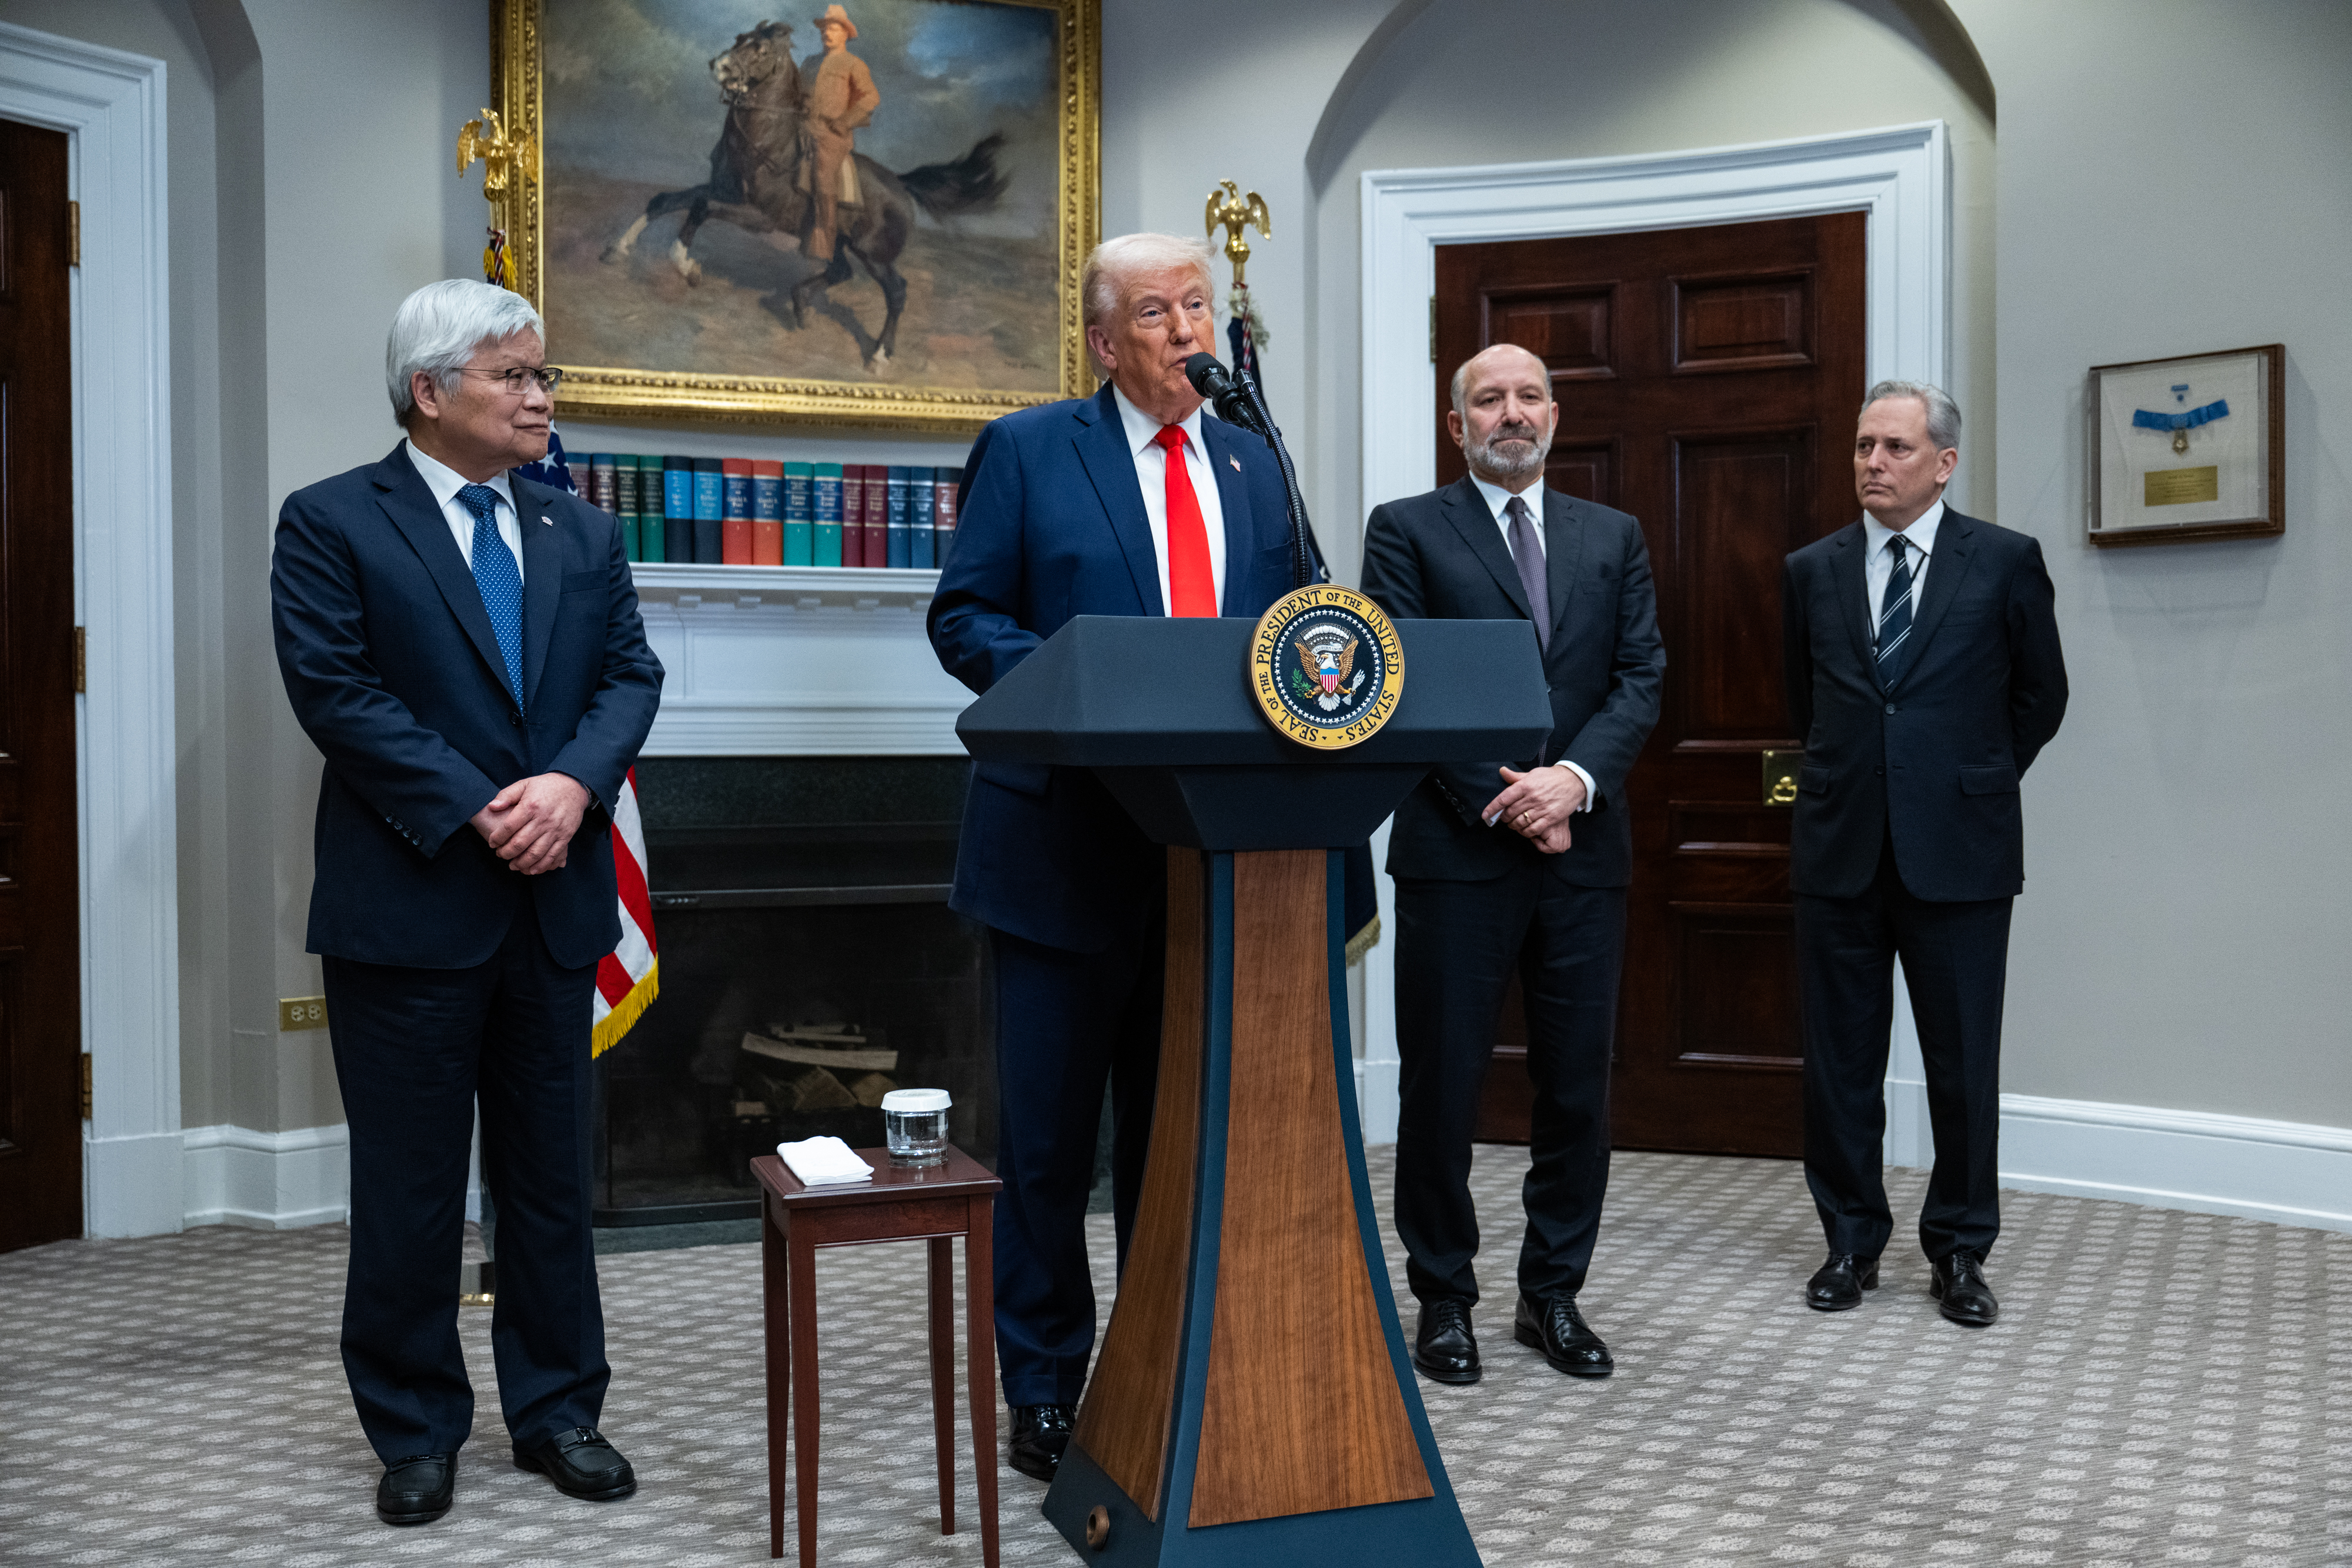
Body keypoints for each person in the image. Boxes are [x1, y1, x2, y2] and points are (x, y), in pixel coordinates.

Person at [270, 279, 664, 1525]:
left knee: (548, 1177)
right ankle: (414, 1426)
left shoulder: (580, 532)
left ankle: (558, 1409)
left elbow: (628, 677)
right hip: (413, 902)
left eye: (544, 376)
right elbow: (335, 691)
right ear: (430, 391)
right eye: (517, 377)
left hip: (555, 906)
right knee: (412, 1184)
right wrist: (493, 804)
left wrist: (569, 787)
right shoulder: (333, 520)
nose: (544, 397)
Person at [927, 232, 1302, 1482]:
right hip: (1059, 848)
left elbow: (1299, 623)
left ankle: (1166, 1357)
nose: (1189, 330)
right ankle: (1041, 1384)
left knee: (1176, 1135)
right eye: (1157, 312)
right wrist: (1078, 693)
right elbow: (964, 615)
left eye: (1198, 304)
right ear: (1101, 341)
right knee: (1044, 1146)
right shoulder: (1032, 449)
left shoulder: (1254, 460)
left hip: (1210, 859)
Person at [1359, 343, 1665, 1385]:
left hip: (1585, 852)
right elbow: (1397, 680)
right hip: (1458, 848)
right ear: (1459, 426)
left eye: (1528, 395)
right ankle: (1444, 1296)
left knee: (1576, 1086)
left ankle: (1554, 1294)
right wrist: (1509, 797)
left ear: (1554, 415)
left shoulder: (1612, 535)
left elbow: (1640, 675)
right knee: (1443, 1087)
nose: (1510, 412)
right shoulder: (1405, 531)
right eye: (1488, 399)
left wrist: (1572, 781)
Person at [1782, 380, 2067, 1327]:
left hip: (1962, 850)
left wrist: (1968, 776)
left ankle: (1959, 1249)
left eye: (1896, 447)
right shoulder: (1812, 570)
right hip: (1841, 850)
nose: (1873, 462)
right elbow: (1805, 704)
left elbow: (2042, 695)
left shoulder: (2006, 561)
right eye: (1864, 445)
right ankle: (1850, 1241)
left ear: (1943, 462)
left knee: (1961, 1062)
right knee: (1841, 1064)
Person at [800, 4, 879, 260]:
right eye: (825, 28)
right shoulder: (810, 63)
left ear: (845, 33)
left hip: (832, 136)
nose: (827, 33)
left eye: (833, 29)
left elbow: (871, 97)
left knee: (823, 174)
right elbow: (798, 94)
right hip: (803, 127)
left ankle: (825, 241)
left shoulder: (853, 64)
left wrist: (844, 122)